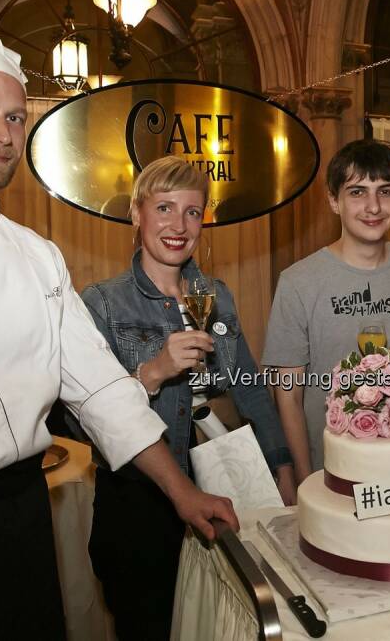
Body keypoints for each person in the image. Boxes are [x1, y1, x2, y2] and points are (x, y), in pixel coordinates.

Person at [0, 37, 237, 641]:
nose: (1, 131)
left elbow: (98, 388)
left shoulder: (37, 256)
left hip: (22, 519)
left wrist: (179, 493)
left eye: (14, 116)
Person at [78, 156, 292, 639]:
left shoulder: (214, 293)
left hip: (223, 482)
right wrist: (153, 372)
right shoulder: (102, 303)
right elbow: (82, 419)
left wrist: (282, 470)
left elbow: (250, 387)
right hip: (140, 502)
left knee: (222, 624)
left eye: (192, 212)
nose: (179, 225)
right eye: (165, 208)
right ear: (136, 214)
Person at [262, 139, 390, 482]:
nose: (373, 206)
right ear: (333, 201)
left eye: (384, 191)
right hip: (329, 472)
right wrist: (303, 477)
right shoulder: (298, 282)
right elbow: (288, 397)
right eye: (357, 192)